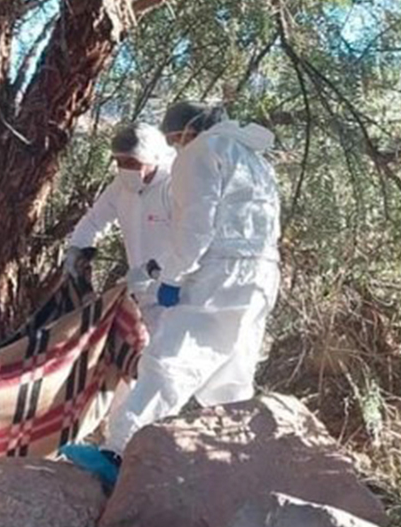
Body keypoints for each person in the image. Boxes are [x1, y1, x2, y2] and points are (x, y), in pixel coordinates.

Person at [64, 102, 282, 487]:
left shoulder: (198, 154)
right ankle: (238, 470)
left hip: (217, 276)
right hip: (260, 277)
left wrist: (172, 277)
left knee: (168, 363)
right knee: (230, 378)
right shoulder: (252, 156)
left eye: (173, 140)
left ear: (183, 133)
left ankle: (118, 452)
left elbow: (196, 228)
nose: (176, 145)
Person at [62, 122, 175, 315]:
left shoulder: (173, 187)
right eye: (119, 163)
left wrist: (152, 270)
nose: (125, 169)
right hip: (140, 293)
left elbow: (189, 238)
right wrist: (76, 248)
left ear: (153, 158)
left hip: (174, 290)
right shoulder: (120, 187)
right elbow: (94, 220)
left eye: (132, 163)